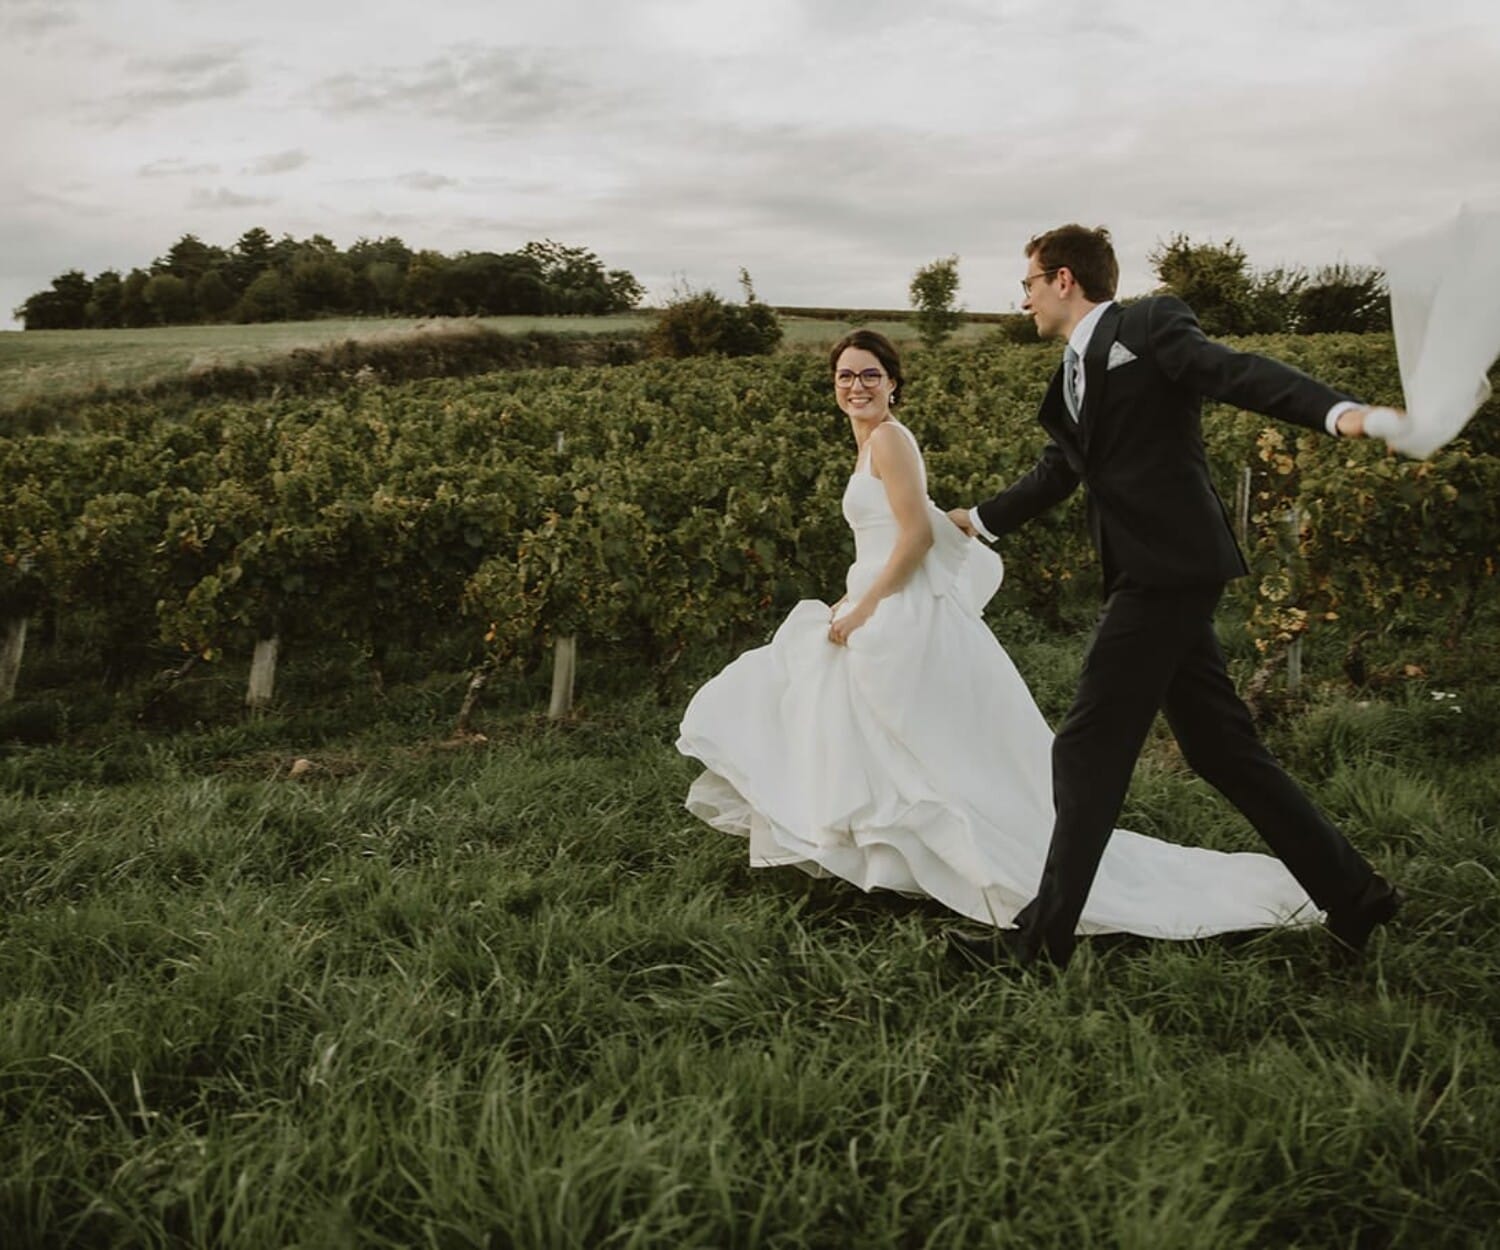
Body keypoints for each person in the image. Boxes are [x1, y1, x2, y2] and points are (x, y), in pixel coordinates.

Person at [677, 329, 1324, 942]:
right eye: (845, 376)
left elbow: (917, 536)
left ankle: (972, 864)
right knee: (870, 730)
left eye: (870, 375)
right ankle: (891, 861)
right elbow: (880, 540)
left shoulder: (890, 443)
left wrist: (866, 606)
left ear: (894, 383)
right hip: (883, 597)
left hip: (901, 612)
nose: (857, 385)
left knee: (914, 744)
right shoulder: (868, 441)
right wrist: (852, 595)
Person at [945, 224, 1405, 970]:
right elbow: (1059, 472)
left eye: (1028, 282)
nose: (1022, 297)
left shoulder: (1149, 324)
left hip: (1171, 568)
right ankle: (1354, 894)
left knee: (1087, 745)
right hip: (1146, 573)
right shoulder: (1066, 378)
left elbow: (1237, 372)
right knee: (1220, 748)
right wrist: (979, 520)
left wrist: (1339, 413)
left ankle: (1041, 943)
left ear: (1064, 279)